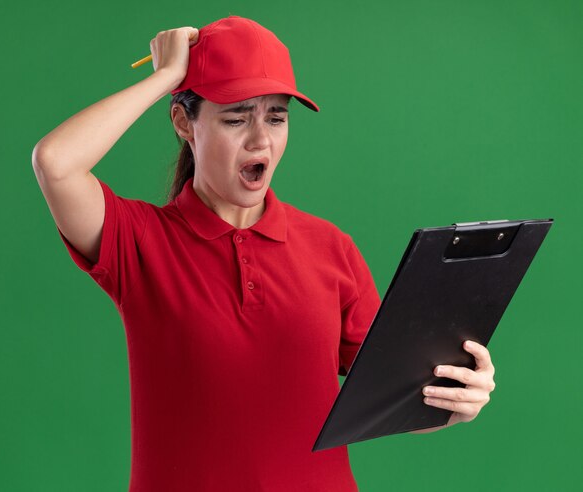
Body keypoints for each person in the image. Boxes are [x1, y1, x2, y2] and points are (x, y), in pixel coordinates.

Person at [32, 15, 496, 492]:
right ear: (182, 122)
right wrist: (166, 77)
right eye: (236, 118)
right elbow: (55, 163)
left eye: (276, 117)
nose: (261, 140)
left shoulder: (331, 248)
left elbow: (395, 396)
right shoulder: (141, 241)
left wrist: (455, 402)